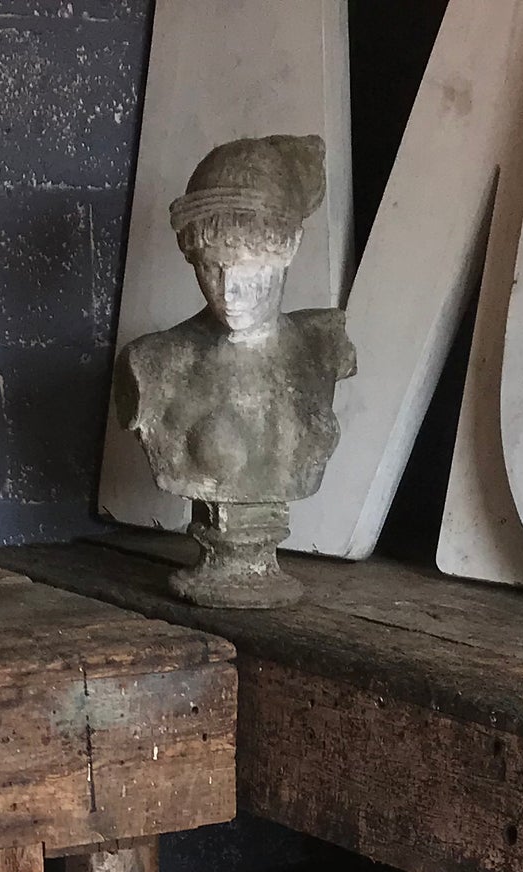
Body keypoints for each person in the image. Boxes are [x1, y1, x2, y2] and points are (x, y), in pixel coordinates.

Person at [114, 134, 355, 605]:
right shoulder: (154, 365)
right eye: (211, 268)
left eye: (251, 268)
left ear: (288, 249)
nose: (230, 291)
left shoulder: (325, 345)